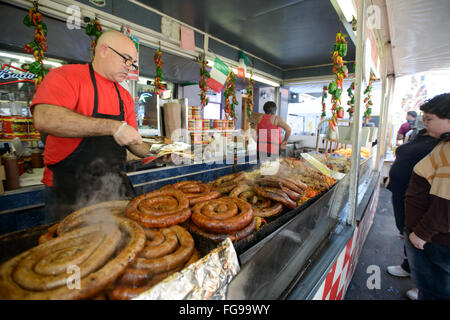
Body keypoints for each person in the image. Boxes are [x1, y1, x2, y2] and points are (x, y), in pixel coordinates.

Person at [31, 30, 151, 223]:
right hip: (69, 189)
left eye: (133, 63)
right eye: (126, 60)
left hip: (113, 188)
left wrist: (158, 153)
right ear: (103, 50)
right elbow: (45, 118)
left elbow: (134, 142)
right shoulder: (65, 76)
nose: (130, 67)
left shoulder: (124, 97)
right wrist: (113, 127)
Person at [403, 93, 450, 300]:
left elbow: (445, 202)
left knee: (435, 292)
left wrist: (422, 233)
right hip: (434, 237)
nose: (425, 123)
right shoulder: (444, 144)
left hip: (435, 240)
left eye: (430, 119)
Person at [386, 127, 439, 290]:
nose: (425, 121)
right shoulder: (421, 133)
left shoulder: (443, 142)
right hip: (403, 192)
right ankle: (409, 265)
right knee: (406, 230)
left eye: (430, 118)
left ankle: (424, 285)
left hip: (424, 197)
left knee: (423, 238)